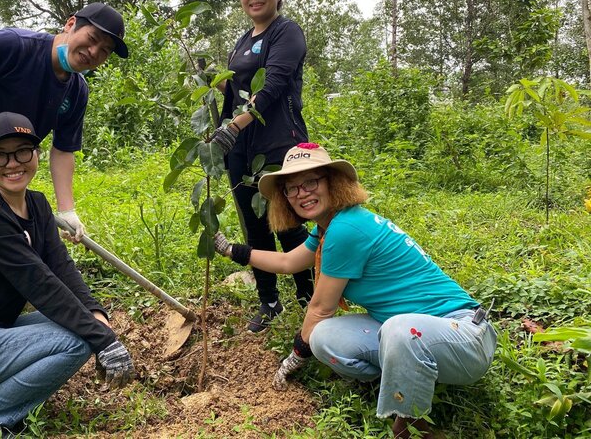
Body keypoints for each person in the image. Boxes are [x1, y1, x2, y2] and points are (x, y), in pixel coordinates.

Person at [213, 143, 497, 439]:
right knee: (324, 338)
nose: (302, 193)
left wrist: (296, 355)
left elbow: (321, 308)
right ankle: (405, 377)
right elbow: (288, 261)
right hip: (414, 334)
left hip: (465, 337)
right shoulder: (330, 227)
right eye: (292, 188)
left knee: (399, 329)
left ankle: (409, 424)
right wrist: (232, 250)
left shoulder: (347, 228)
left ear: (332, 182)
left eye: (311, 182)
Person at [0, 112, 134, 438]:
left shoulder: (37, 205)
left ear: (37, 154)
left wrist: (97, 315)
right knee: (76, 339)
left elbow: (61, 268)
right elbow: (40, 283)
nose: (12, 163)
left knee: (83, 325)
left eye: (22, 151)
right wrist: (102, 339)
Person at [0, 2, 128, 265]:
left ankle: (24, 308)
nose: (93, 52)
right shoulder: (14, 45)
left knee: (22, 260)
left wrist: (67, 209)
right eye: (92, 38)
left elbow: (63, 150)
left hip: (9, 174)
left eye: (105, 50)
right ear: (71, 24)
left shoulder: (76, 90)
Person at [209, 0, 313, 332]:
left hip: (277, 146)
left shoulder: (287, 33)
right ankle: (269, 302)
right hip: (239, 147)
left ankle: (307, 296)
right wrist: (215, 86)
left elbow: (272, 88)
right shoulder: (242, 41)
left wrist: (235, 125)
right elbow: (237, 91)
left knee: (286, 223)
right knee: (254, 225)